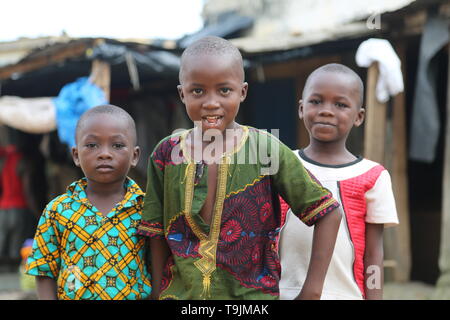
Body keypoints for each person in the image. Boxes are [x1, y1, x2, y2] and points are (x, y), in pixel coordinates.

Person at [136, 36, 342, 300]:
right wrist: (157, 292)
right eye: (198, 91)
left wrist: (311, 292)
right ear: (182, 94)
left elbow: (327, 213)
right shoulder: (167, 153)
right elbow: (155, 230)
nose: (211, 102)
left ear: (242, 92)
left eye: (224, 90)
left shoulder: (265, 148)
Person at [279, 63, 399, 300]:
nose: (326, 110)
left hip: (345, 295)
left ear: (359, 116)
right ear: (301, 109)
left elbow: (374, 253)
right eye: (316, 101)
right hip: (279, 292)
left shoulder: (373, 176)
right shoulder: (282, 164)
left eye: (340, 105)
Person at [25, 105, 152, 300]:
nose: (104, 154)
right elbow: (44, 270)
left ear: (134, 156)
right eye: (92, 145)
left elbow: (158, 265)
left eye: (117, 145)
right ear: (76, 155)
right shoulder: (57, 210)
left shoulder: (146, 209)